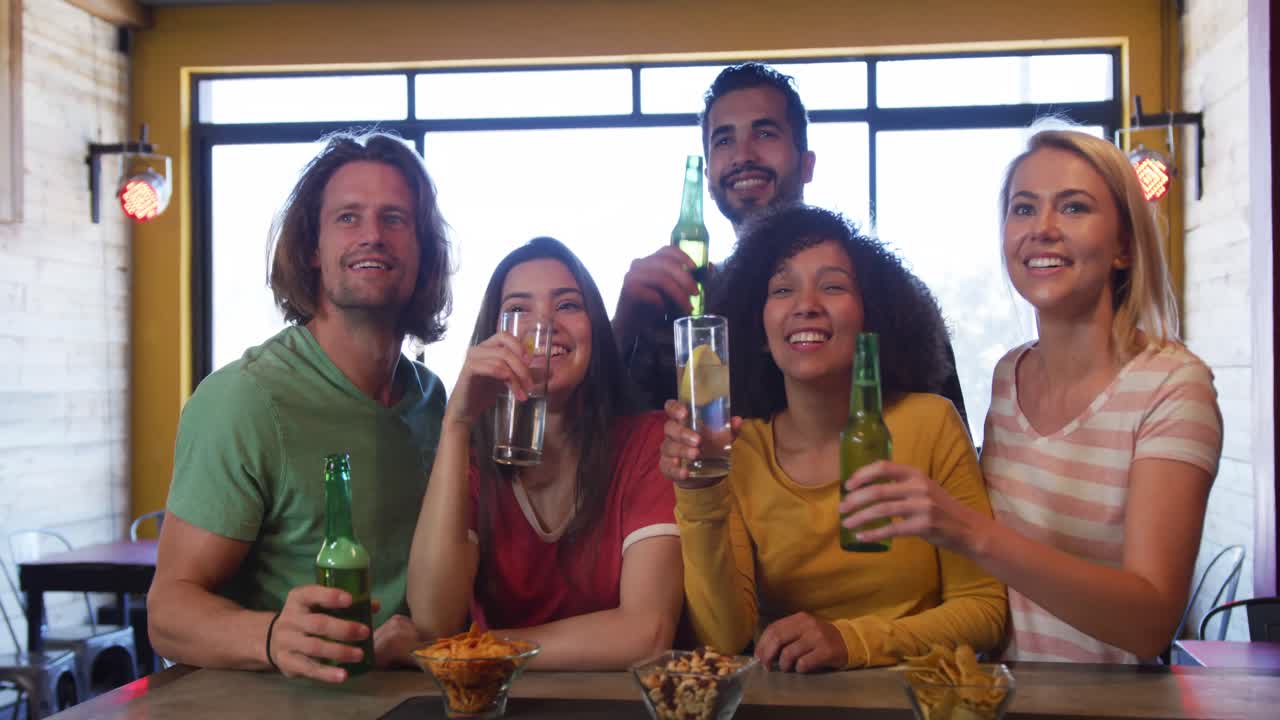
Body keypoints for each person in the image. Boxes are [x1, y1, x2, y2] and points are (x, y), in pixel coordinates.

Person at [840, 128, 1223, 663]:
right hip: (999, 697)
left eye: (1073, 208)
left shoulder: (1173, 387)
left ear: (1124, 246)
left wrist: (967, 530)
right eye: (1023, 209)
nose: (1042, 229)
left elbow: (1150, 622)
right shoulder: (1008, 376)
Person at [148, 131, 452, 683]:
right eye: (347, 218)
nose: (372, 237)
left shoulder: (434, 403)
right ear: (312, 249)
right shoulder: (244, 399)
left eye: (395, 219)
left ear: (423, 249)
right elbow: (167, 613)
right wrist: (271, 637)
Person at [661, 204, 1006, 673]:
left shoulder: (931, 424)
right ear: (758, 327)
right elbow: (725, 635)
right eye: (782, 289)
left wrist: (851, 642)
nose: (806, 305)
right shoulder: (736, 449)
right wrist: (698, 492)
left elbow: (985, 610)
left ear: (871, 315)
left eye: (833, 286)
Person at [614, 62, 969, 427]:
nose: (743, 155)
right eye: (724, 140)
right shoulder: (680, 302)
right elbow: (617, 434)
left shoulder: (884, 288)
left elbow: (943, 441)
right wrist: (622, 325)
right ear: (707, 177)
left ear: (807, 164)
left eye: (765, 134)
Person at [407, 237, 682, 671]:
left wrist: (479, 649)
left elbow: (646, 634)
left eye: (568, 305)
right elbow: (432, 620)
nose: (543, 326)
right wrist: (456, 424)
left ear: (595, 326)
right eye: (518, 310)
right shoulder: (472, 457)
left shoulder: (648, 442)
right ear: (492, 334)